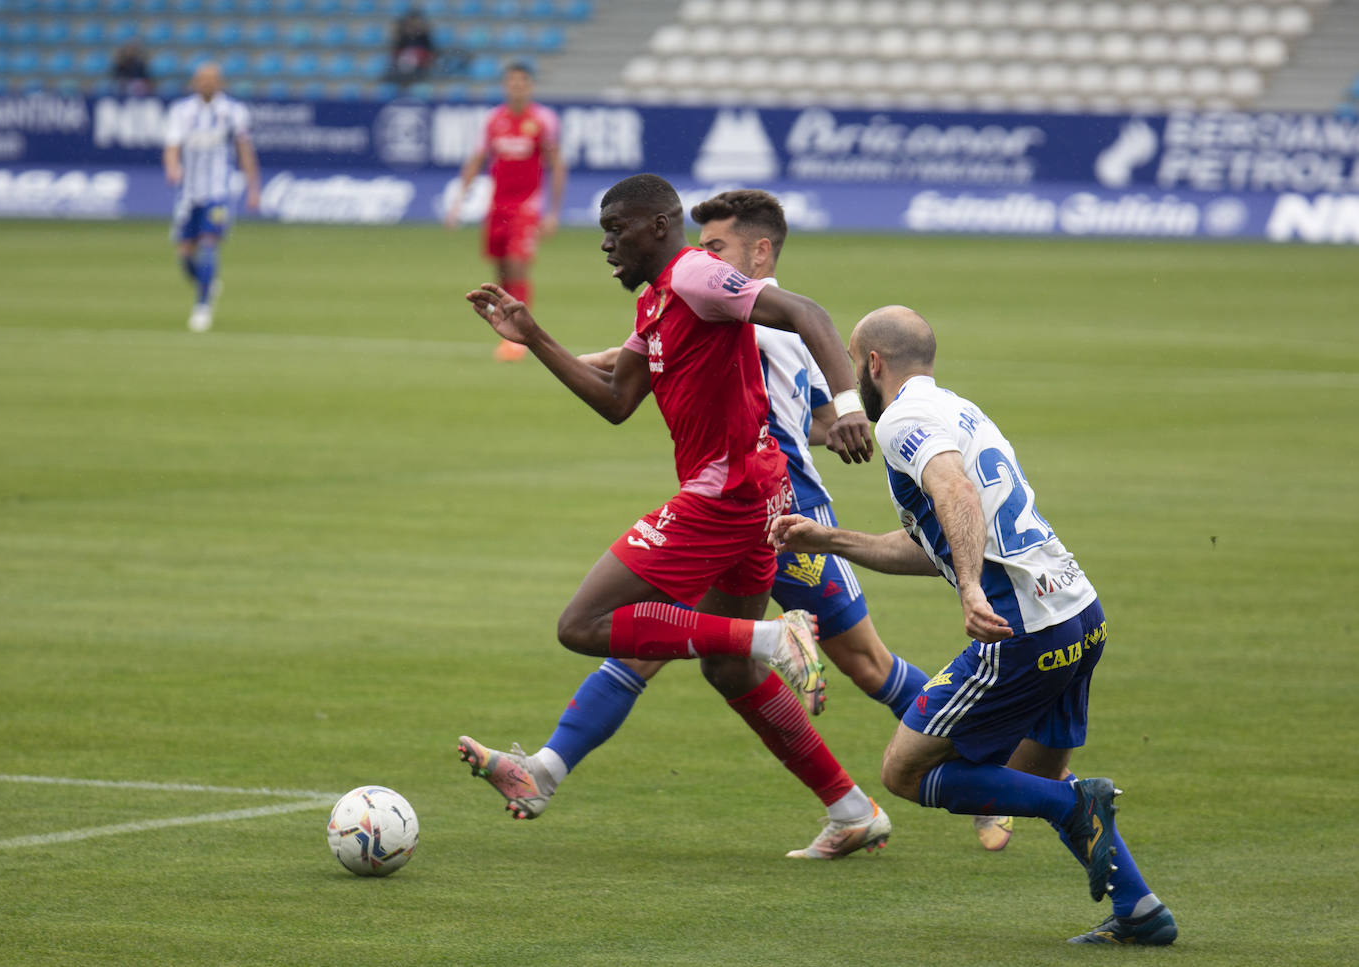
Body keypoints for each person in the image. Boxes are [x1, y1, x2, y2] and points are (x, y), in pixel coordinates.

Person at [460, 173, 892, 859]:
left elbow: (807, 312)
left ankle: (775, 638)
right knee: (728, 670)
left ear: (658, 227)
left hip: (723, 495)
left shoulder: (694, 275)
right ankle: (849, 807)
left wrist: (846, 408)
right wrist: (535, 335)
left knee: (582, 625)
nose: (605, 245)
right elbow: (615, 400)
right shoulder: (658, 301)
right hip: (751, 494)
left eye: (615, 229)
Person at [572, 188, 1013, 851]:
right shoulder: (704, 299)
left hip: (786, 512)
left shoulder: (761, 312)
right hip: (728, 509)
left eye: (716, 245)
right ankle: (545, 766)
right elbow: (683, 360)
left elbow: (812, 380)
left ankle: (987, 768)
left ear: (760, 250)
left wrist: (841, 414)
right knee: (653, 643)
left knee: (865, 664)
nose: (702, 255)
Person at [770, 306, 1177, 943]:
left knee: (905, 772)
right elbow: (934, 542)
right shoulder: (961, 411)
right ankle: (1142, 912)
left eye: (854, 364)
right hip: (1078, 614)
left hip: (1021, 632)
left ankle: (1080, 805)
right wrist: (832, 539)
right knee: (1032, 779)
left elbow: (956, 496)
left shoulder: (903, 418)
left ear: (872, 364)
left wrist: (966, 587)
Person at [447, 62, 567, 362]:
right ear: (505, 86)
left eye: (522, 81)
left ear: (530, 86)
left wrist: (553, 212)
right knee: (500, 272)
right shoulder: (493, 120)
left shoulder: (542, 121)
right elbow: (477, 159)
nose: (516, 86)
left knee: (517, 266)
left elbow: (557, 166)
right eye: (511, 81)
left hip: (527, 207)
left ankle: (521, 339)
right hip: (497, 206)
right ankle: (508, 331)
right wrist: (459, 200)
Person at [162, 62, 259, 334]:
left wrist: (253, 188)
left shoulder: (233, 112)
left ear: (220, 83)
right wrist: (172, 167)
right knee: (184, 255)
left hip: (219, 192)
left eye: (211, 79)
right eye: (201, 79)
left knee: (208, 244)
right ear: (194, 82)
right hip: (188, 193)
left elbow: (245, 150)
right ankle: (206, 282)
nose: (205, 83)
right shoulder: (181, 111)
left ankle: (202, 307)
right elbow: (171, 146)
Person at [385, 8, 435, 85]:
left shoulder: (424, 37)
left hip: (421, 67)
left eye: (417, 22)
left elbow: (430, 53)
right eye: (412, 22)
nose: (414, 24)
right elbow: (395, 52)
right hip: (401, 67)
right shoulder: (402, 36)